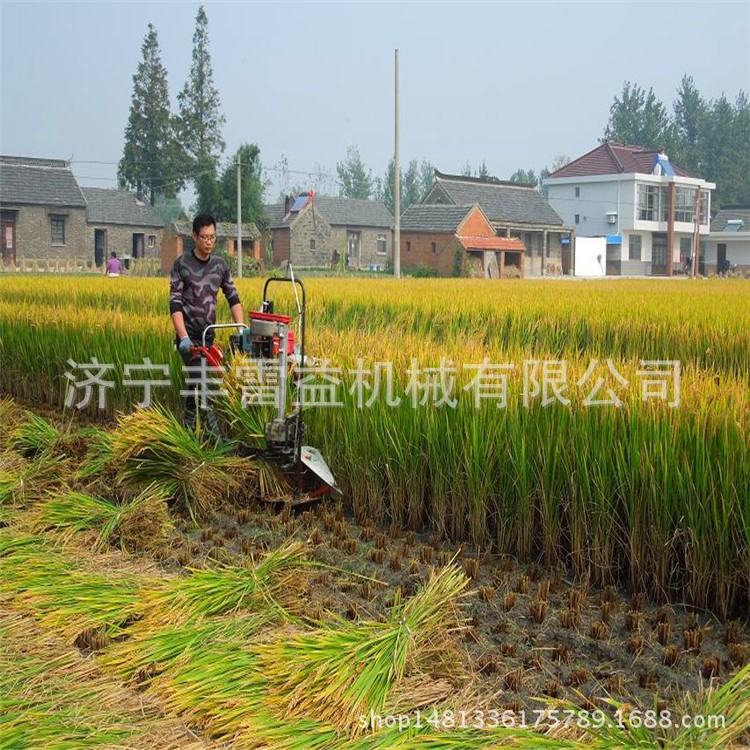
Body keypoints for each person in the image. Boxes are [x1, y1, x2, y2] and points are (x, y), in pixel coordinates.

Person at [169, 214, 244, 435]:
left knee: (196, 386)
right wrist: (183, 337)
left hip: (208, 338)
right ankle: (217, 442)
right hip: (190, 340)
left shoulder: (220, 265)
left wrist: (241, 328)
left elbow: (233, 298)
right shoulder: (181, 264)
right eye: (205, 237)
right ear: (194, 236)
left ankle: (189, 434)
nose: (210, 241)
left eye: (213, 237)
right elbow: (174, 304)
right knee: (204, 386)